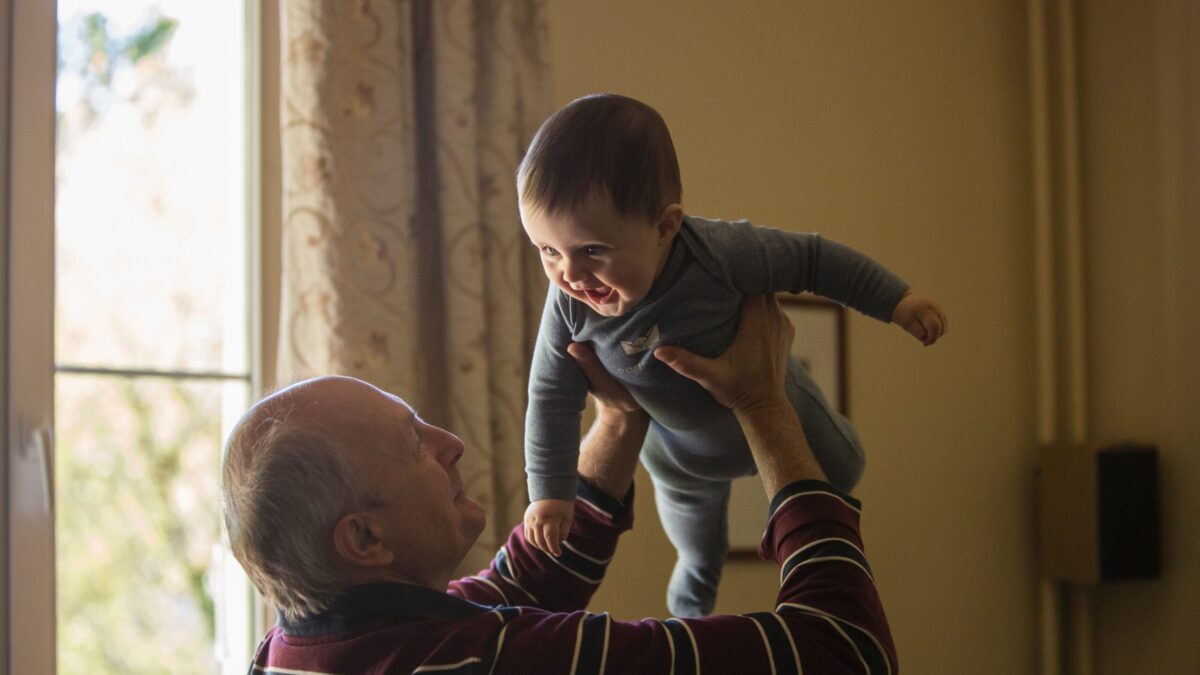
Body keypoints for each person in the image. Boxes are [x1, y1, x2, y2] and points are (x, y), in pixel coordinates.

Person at [222, 295, 898, 674]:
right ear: (364, 537)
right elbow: (845, 652)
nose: (450, 444)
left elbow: (520, 583)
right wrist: (763, 403)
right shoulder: (493, 662)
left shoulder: (305, 650)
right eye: (414, 443)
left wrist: (620, 416)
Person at [520, 93, 947, 616]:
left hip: (779, 403)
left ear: (664, 227)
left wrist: (897, 301)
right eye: (547, 250)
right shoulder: (567, 304)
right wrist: (549, 492)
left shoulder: (719, 253)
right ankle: (691, 614)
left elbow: (814, 260)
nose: (570, 274)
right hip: (679, 456)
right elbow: (550, 396)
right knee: (698, 550)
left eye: (592, 250)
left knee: (845, 469)